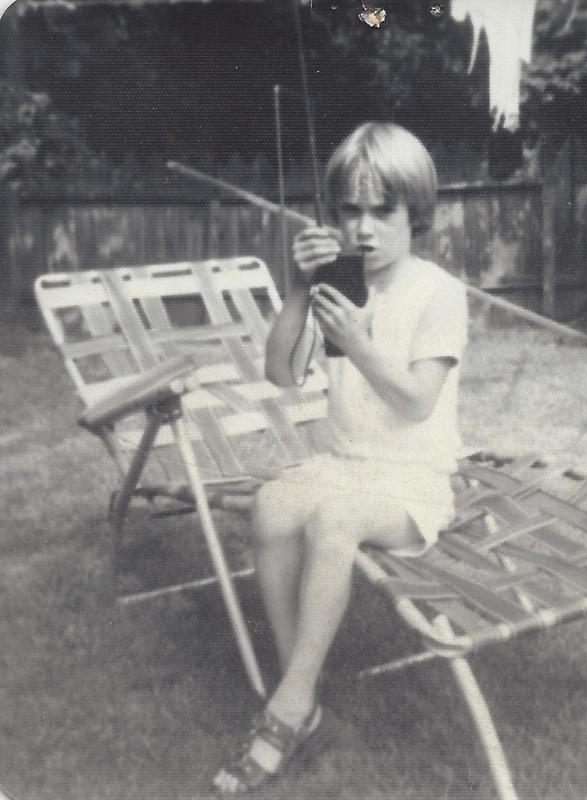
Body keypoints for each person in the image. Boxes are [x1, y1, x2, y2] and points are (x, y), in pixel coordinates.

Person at [214, 122, 468, 795]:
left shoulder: (437, 292)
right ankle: (300, 693)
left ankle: (287, 711)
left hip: (412, 481)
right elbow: (279, 373)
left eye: (382, 211)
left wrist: (359, 345)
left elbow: (416, 402)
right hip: (344, 461)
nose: (363, 229)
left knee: (333, 521)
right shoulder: (338, 283)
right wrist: (299, 289)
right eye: (349, 211)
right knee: (272, 504)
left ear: (416, 212)